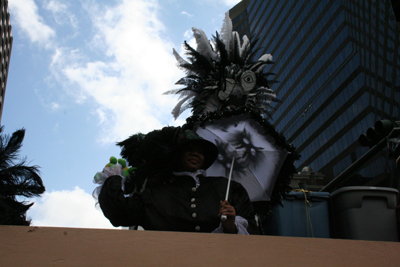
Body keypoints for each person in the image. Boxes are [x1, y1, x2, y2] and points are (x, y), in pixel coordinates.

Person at [97, 127, 256, 234]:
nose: (196, 154)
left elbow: (253, 229)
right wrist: (113, 178)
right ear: (177, 155)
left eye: (200, 152)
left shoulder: (225, 187)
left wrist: (231, 226)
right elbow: (119, 214)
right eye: (190, 149)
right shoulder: (154, 193)